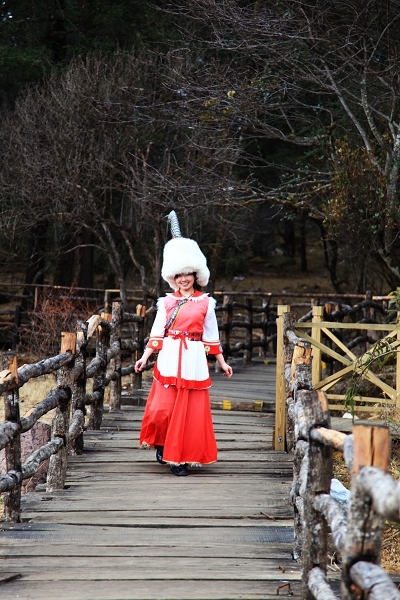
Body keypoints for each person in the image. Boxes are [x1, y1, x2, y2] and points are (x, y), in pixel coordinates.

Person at [135, 211, 233, 476]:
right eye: (178, 276)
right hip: (168, 358)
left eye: (187, 274)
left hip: (192, 360)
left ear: (195, 275)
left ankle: (179, 458)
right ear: (172, 278)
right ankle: (161, 442)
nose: (184, 279)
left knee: (188, 413)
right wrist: (145, 357)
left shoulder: (206, 303)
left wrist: (222, 362)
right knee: (161, 410)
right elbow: (157, 332)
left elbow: (212, 335)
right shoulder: (166, 303)